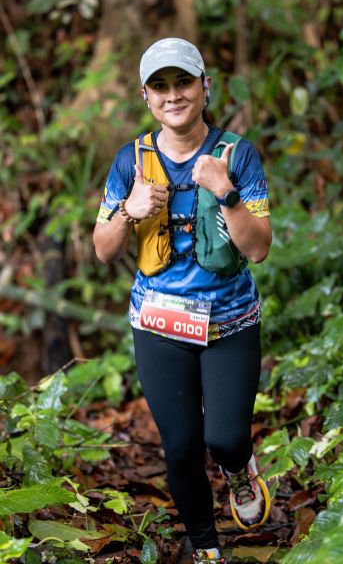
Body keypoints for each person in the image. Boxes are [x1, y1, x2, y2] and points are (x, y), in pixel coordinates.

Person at [93, 38, 272, 564]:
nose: (173, 96)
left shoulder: (236, 154)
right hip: (158, 325)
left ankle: (239, 470)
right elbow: (103, 250)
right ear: (146, 97)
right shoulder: (131, 160)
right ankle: (206, 547)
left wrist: (225, 192)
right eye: (161, 87)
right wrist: (128, 211)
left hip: (229, 322)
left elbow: (258, 249)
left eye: (183, 83)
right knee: (181, 447)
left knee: (226, 438)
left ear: (204, 87)